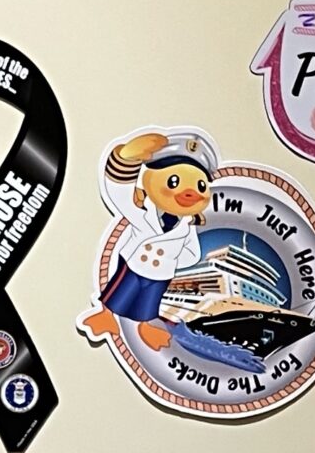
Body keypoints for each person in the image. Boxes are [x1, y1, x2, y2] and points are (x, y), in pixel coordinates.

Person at [78, 132, 214, 352]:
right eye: (173, 181)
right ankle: (106, 315)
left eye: (201, 186)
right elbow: (117, 192)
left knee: (149, 303)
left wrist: (170, 261)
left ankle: (145, 326)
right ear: (148, 179)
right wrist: (125, 159)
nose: (190, 193)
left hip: (161, 274)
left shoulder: (187, 226)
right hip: (133, 264)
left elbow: (193, 254)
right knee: (120, 292)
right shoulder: (142, 209)